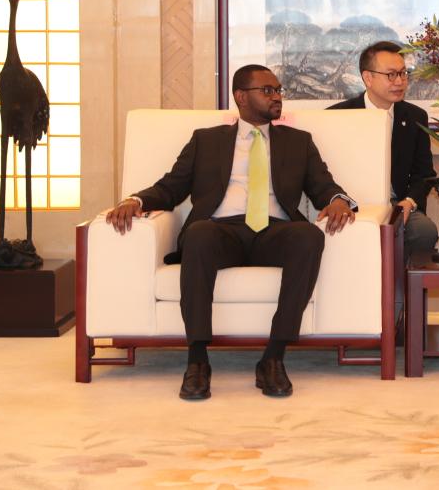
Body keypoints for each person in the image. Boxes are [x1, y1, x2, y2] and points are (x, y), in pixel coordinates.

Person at [103, 64, 357, 401]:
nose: (277, 96)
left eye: (278, 90)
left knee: (309, 236)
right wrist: (135, 200)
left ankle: (273, 357)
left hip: (275, 231)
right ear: (241, 96)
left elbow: (323, 186)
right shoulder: (206, 140)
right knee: (198, 234)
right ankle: (197, 361)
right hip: (221, 231)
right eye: (267, 90)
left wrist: (338, 200)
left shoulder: (298, 142)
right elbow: (171, 187)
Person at [329, 41, 438, 256]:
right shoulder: (337, 116)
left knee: (424, 231)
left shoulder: (415, 117)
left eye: (403, 73)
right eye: (391, 75)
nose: (399, 81)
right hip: (353, 204)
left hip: (397, 205)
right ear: (368, 78)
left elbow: (424, 174)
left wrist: (409, 202)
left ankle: (401, 279)